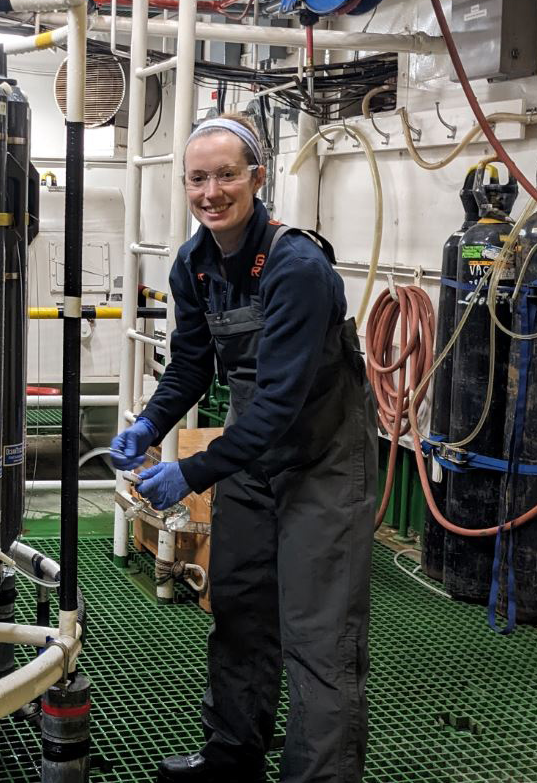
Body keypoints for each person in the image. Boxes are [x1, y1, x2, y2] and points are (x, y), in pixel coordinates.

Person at [111, 112, 377, 782]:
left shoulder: (298, 265)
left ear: (257, 179)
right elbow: (191, 366)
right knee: (240, 612)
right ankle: (232, 759)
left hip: (321, 458)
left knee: (319, 639)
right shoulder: (194, 264)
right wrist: (149, 423)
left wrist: (192, 471)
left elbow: (284, 407)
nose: (211, 192)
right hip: (254, 458)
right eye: (198, 179)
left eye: (227, 175)